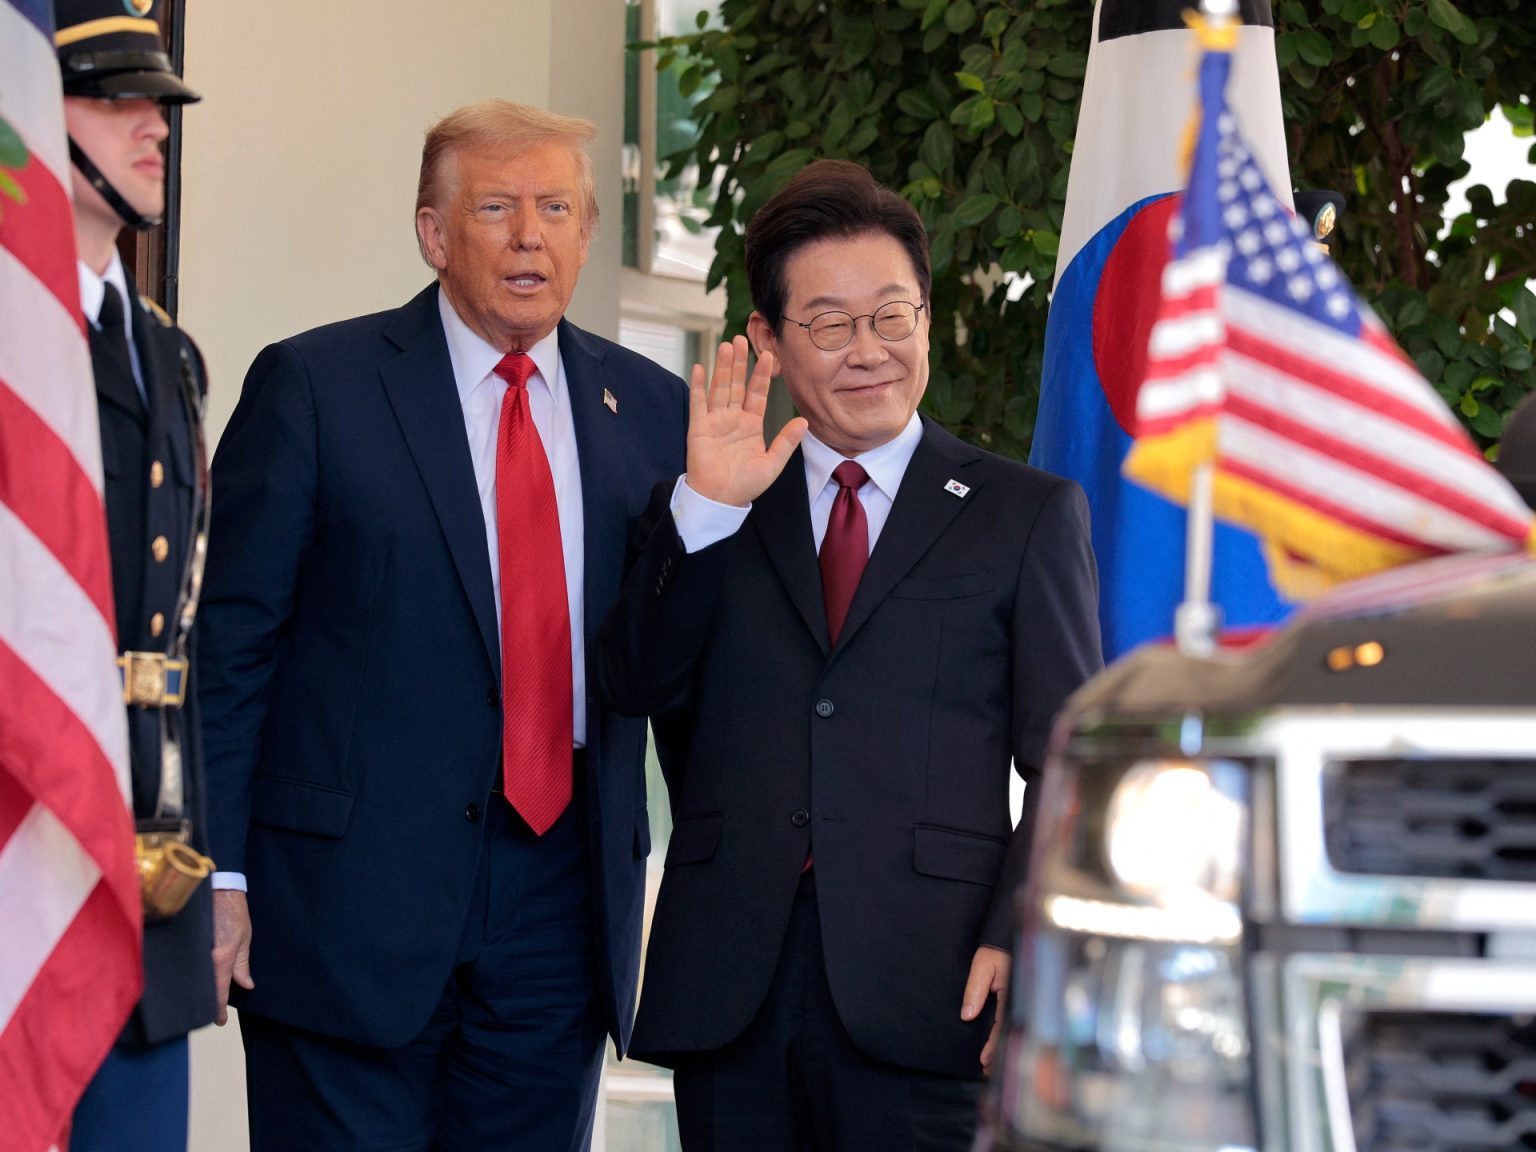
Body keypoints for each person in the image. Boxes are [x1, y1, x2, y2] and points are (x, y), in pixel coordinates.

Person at [196, 100, 688, 1151]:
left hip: (561, 910)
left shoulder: (653, 409)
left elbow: (671, 654)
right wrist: (217, 873)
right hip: (343, 909)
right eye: (497, 208)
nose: (530, 237)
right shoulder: (316, 386)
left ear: (588, 233)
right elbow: (229, 652)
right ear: (433, 233)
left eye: (556, 209)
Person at [599, 159, 1105, 1150]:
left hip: (934, 982)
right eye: (830, 325)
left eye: (891, 317)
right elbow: (633, 682)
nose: (869, 351)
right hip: (732, 982)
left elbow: (1069, 756)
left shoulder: (1023, 514)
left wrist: (1022, 929)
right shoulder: (709, 505)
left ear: (926, 318)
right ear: (769, 341)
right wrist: (706, 512)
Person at [56, 3, 215, 1150]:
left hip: (147, 855)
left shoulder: (167, 349)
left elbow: (180, 640)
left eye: (156, 101)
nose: (153, 125)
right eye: (116, 99)